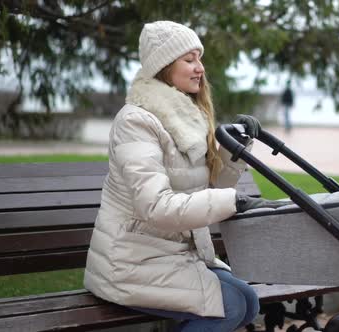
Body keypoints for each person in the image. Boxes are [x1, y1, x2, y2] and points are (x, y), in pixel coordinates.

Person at [83, 21, 287, 332]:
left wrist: (236, 150)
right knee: (231, 306)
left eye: (199, 59)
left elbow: (204, 192)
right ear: (164, 66)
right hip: (130, 262)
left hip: (172, 255)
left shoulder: (188, 116)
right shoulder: (136, 122)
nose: (200, 68)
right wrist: (231, 201)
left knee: (248, 302)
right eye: (189, 59)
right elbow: (156, 206)